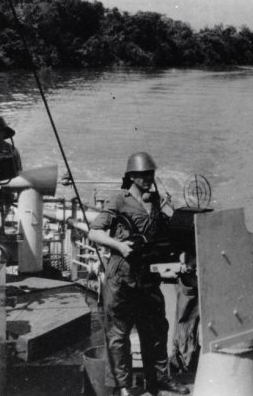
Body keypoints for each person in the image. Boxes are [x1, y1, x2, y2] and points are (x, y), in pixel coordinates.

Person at [88, 152, 188, 396]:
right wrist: (119, 245)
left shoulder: (156, 201)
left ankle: (159, 380)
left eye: (150, 174)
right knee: (119, 334)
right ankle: (122, 386)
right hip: (121, 276)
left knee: (155, 330)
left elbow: (169, 229)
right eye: (143, 175)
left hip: (147, 276)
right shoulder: (119, 200)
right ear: (131, 176)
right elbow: (94, 231)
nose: (148, 178)